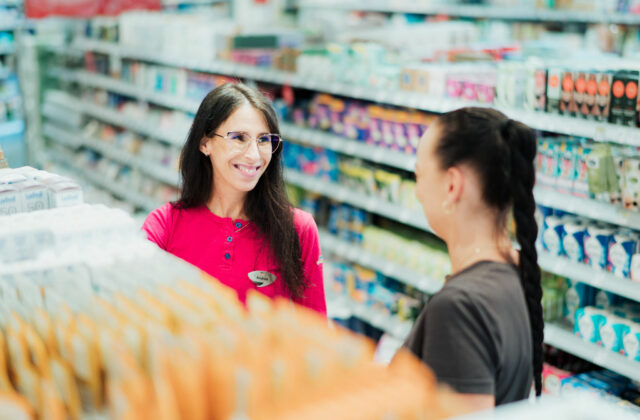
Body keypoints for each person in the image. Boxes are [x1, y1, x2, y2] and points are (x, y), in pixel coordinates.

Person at [142, 83, 326, 315]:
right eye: (239, 138)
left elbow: (315, 333)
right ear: (205, 143)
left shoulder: (298, 230)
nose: (254, 155)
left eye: (263, 140)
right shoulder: (164, 226)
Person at [402, 107, 542, 411]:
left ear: (452, 185)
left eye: (420, 175)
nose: (418, 192)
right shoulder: (518, 271)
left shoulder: (459, 308)